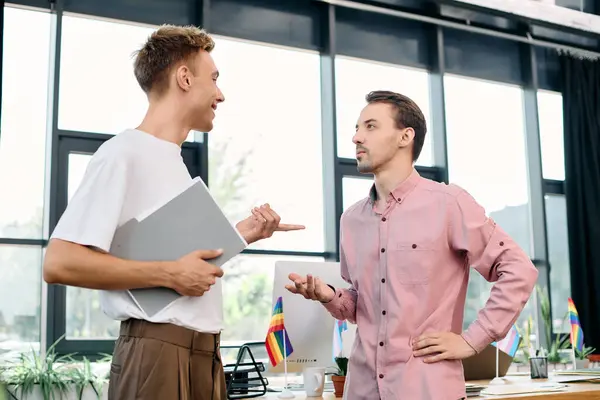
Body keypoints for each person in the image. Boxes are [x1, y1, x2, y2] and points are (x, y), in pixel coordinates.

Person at [43, 25, 304, 400]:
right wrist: (170, 273)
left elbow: (180, 258)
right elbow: (59, 262)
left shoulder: (174, 165)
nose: (221, 94)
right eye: (213, 79)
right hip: (158, 352)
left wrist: (244, 232)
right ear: (184, 78)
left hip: (203, 353)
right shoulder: (123, 153)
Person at [286, 90, 538, 399]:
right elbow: (360, 306)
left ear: (406, 136)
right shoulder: (351, 220)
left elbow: (518, 270)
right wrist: (328, 295)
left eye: (370, 126)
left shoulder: (450, 204)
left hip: (427, 389)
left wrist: (474, 339)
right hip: (362, 390)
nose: (355, 137)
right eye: (356, 128)